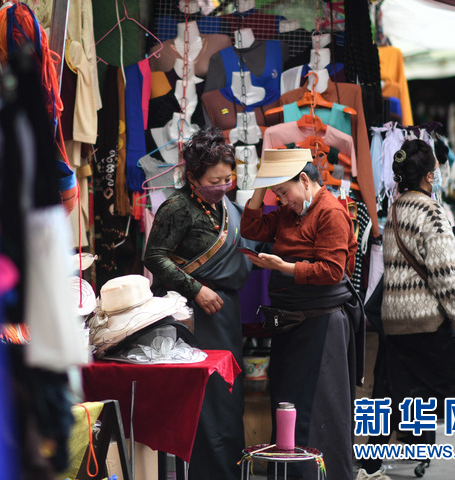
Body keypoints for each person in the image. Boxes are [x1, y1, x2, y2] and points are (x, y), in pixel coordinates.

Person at [357, 139, 455, 480]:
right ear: (429, 176)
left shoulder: (395, 210)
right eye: (437, 171)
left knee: (390, 395)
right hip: (428, 323)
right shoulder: (432, 212)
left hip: (395, 321)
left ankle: (369, 469)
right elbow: (444, 276)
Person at [239, 149, 364, 480]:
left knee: (319, 410)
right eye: (277, 195)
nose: (282, 201)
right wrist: (261, 184)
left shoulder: (331, 212)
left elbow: (332, 271)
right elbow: (251, 227)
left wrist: (285, 267)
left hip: (322, 323)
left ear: (305, 180)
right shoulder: (288, 213)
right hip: (290, 321)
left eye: (284, 193)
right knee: (286, 404)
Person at [143, 127, 256, 480]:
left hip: (226, 313)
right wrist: (196, 289)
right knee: (205, 402)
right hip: (191, 316)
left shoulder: (225, 208)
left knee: (228, 399)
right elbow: (154, 257)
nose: (222, 187)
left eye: (227, 179)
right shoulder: (176, 208)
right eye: (214, 181)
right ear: (192, 178)